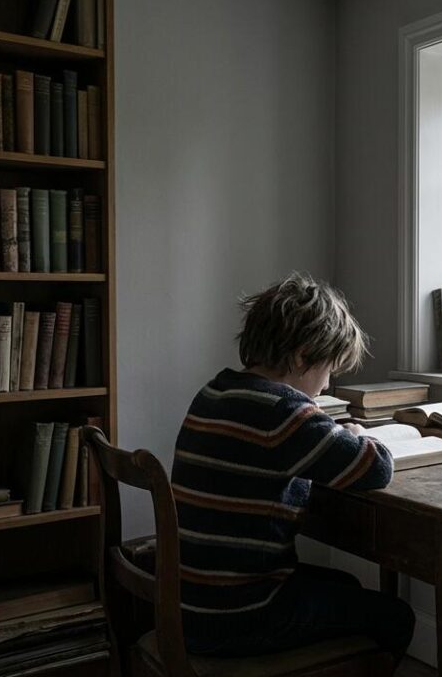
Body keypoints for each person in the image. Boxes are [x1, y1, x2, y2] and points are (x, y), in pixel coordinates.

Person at [170, 272, 414, 660]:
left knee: (346, 585)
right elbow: (376, 467)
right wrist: (355, 432)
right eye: (329, 369)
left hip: (190, 603)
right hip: (241, 616)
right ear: (302, 356)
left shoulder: (215, 390)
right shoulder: (285, 412)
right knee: (396, 616)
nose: (328, 384)